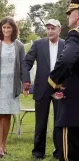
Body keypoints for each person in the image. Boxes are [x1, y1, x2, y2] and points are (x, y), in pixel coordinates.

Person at [22, 19, 65, 159]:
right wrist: (26, 80)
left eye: (53, 28)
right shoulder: (38, 44)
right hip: (42, 88)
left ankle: (59, 152)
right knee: (40, 122)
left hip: (60, 88)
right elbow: (26, 62)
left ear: (60, 30)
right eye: (48, 28)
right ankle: (38, 152)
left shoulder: (66, 45)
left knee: (60, 121)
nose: (50, 31)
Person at [0, 16, 25, 158]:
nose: (6, 30)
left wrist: (25, 83)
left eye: (9, 27)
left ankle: (3, 144)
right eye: (4, 27)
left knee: (7, 115)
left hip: (12, 84)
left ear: (13, 29)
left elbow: (23, 67)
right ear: (0, 29)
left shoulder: (19, 46)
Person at [48, 0, 79, 160]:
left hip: (74, 111)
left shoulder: (75, 35)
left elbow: (67, 60)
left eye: (70, 13)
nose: (67, 16)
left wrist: (53, 83)